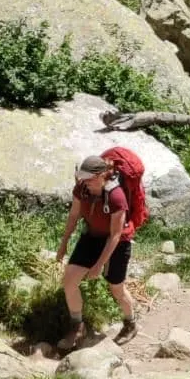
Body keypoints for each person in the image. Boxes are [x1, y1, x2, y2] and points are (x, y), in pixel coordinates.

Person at [55, 153, 139, 356]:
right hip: (92, 237)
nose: (87, 182)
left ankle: (130, 323)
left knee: (116, 289)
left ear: (103, 175)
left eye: (91, 179)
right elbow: (74, 215)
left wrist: (99, 265)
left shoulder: (116, 196)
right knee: (69, 281)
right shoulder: (82, 189)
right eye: (83, 178)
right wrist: (64, 243)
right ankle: (77, 326)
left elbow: (116, 235)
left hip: (117, 243)